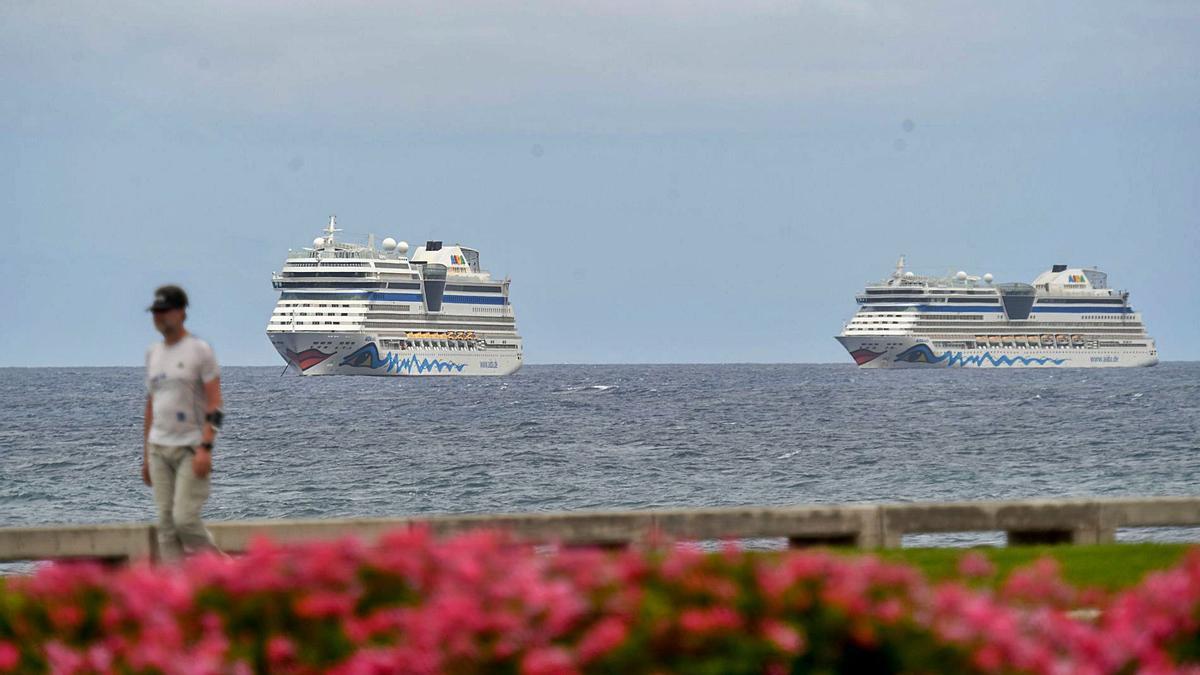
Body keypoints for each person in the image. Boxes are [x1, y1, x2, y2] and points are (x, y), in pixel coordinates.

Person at [142, 285, 223, 562]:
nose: (159, 317)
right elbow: (151, 404)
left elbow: (216, 404)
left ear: (181, 313)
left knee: (184, 520)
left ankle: (225, 570)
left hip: (190, 447)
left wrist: (206, 447)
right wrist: (145, 456)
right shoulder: (153, 353)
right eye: (156, 312)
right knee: (165, 526)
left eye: (164, 311)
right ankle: (175, 593)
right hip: (158, 448)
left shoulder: (200, 351)